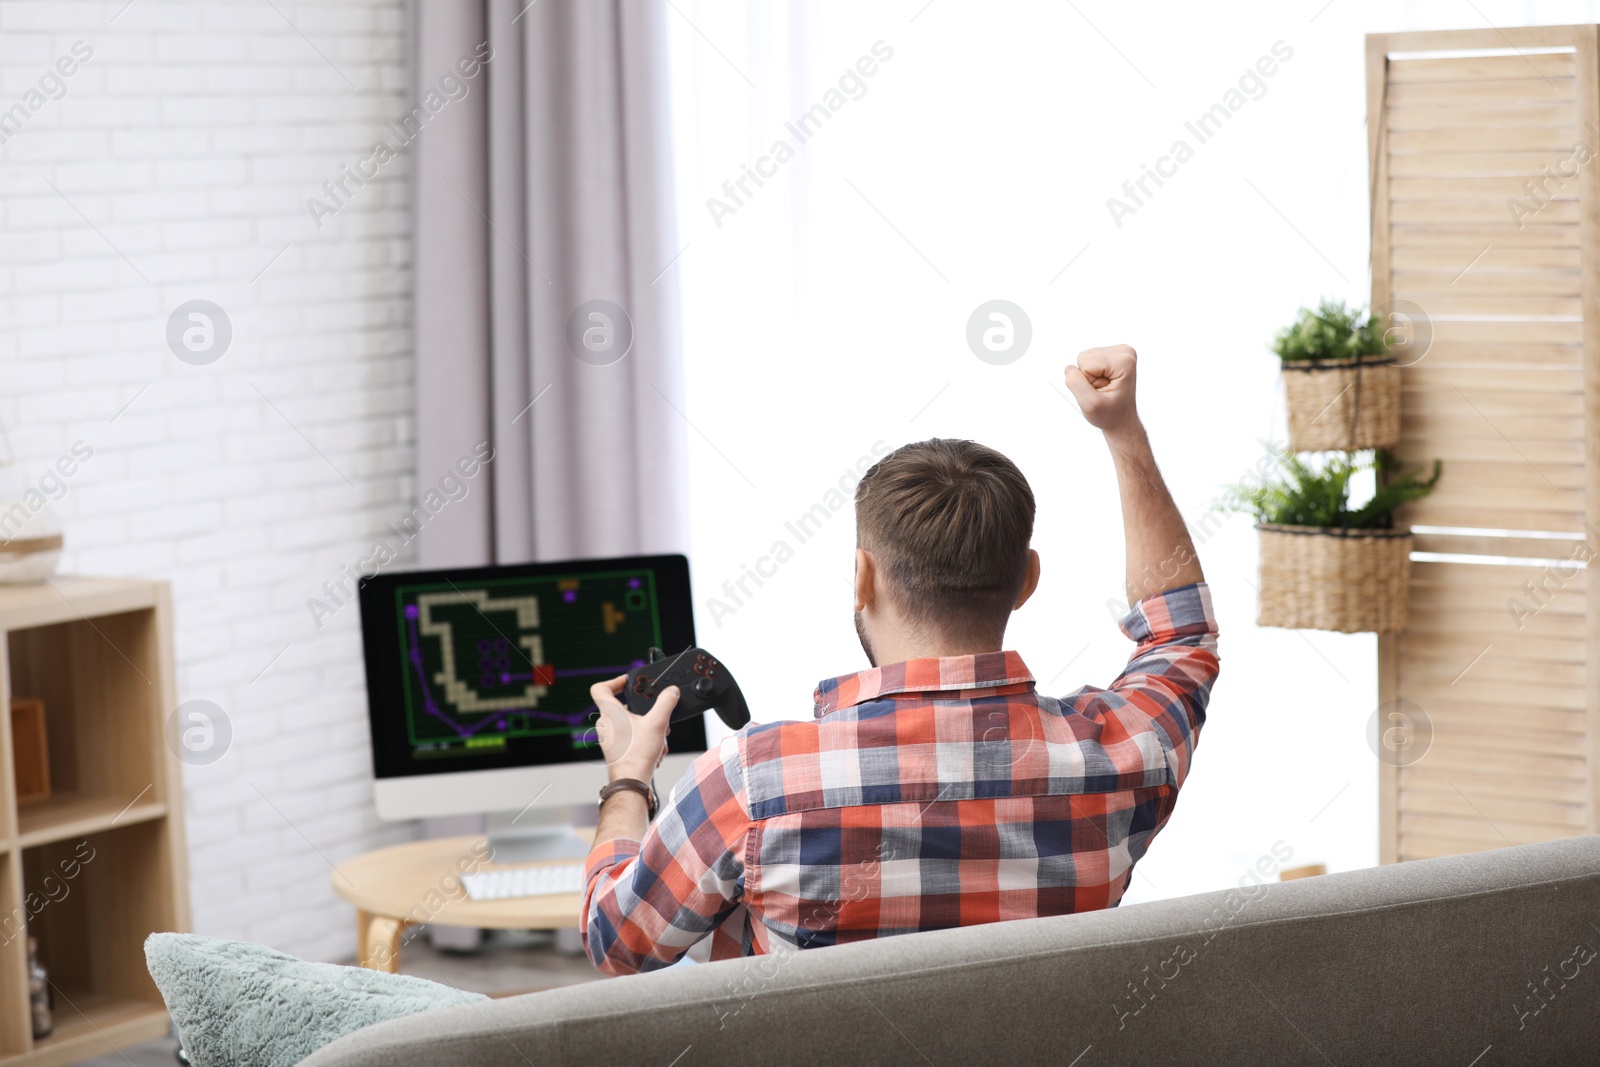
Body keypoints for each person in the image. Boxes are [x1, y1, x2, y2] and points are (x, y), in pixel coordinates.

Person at [582, 345, 1219, 974]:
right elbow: (1181, 638)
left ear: (861, 577)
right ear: (1028, 580)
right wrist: (1122, 430)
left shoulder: (752, 782)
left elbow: (617, 946)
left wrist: (629, 776)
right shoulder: (1123, 754)